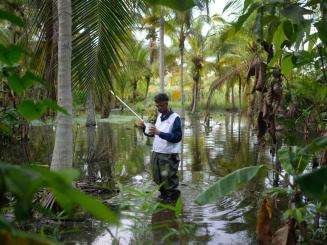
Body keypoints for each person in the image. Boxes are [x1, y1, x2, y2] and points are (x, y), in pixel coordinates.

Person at [142, 93, 182, 203]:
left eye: (160, 106)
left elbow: (177, 137)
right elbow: (153, 133)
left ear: (166, 104)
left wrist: (159, 133)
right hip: (156, 152)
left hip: (168, 154)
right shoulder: (159, 117)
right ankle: (163, 199)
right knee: (157, 177)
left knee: (169, 179)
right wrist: (144, 128)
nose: (158, 108)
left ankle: (173, 201)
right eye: (157, 106)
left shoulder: (175, 118)